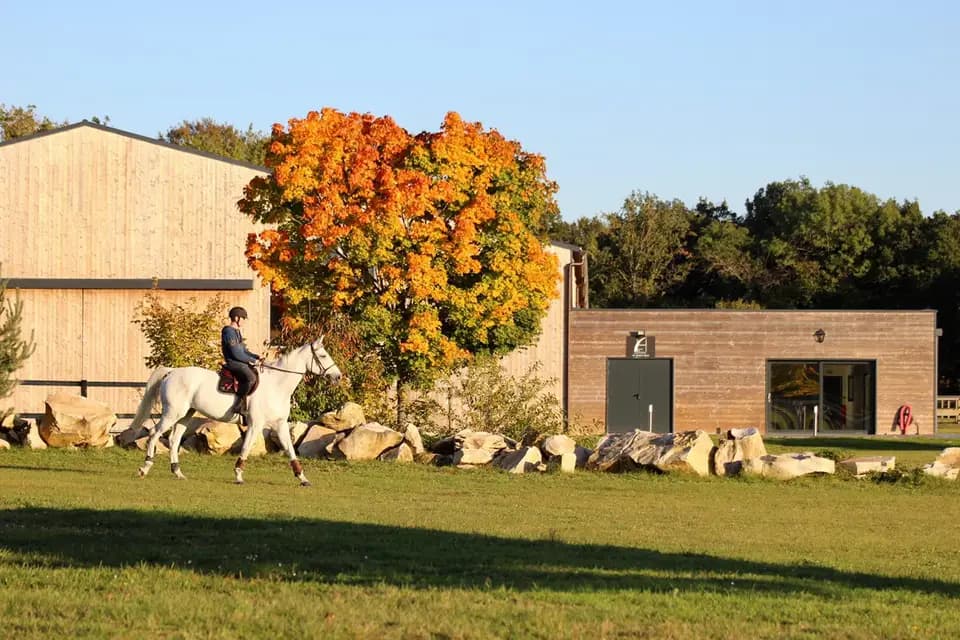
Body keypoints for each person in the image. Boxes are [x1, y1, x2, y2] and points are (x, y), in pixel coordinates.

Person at [221, 306, 261, 404]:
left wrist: (257, 357)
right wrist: (253, 360)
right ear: (236, 318)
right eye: (243, 319)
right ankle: (238, 405)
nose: (244, 322)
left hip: (238, 361)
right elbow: (236, 354)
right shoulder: (229, 332)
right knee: (251, 377)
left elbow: (244, 351)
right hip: (233, 362)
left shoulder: (236, 332)